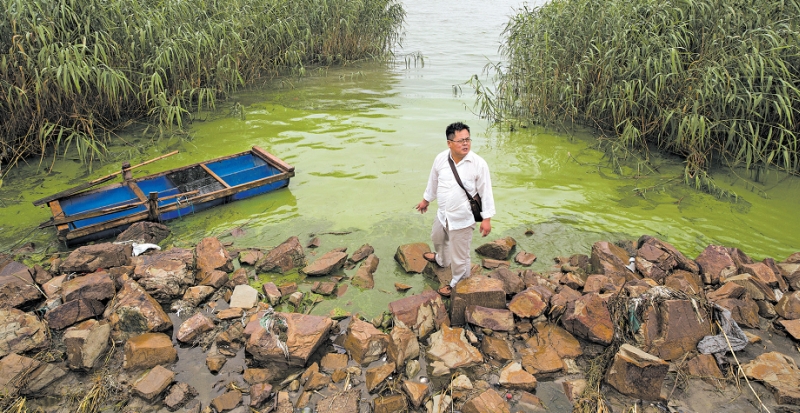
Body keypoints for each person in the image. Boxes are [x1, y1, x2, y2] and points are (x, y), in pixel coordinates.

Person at [415, 122, 495, 297]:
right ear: (449, 143)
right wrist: (426, 200)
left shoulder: (478, 164)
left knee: (460, 256)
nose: (465, 143)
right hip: (442, 214)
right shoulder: (441, 159)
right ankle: (442, 260)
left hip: (463, 219)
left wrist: (487, 219)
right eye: (460, 141)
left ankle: (458, 281)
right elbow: (433, 182)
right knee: (437, 237)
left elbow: (486, 191)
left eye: (467, 139)